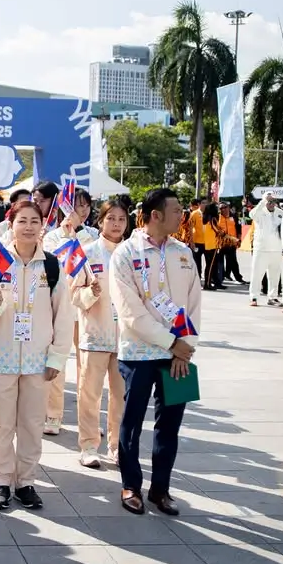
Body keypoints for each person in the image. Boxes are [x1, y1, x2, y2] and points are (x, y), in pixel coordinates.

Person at [0, 200, 70, 510]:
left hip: (38, 361)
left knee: (30, 424)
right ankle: (0, 481)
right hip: (0, 356)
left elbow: (64, 317)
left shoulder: (52, 266)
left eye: (34, 221)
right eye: (22, 221)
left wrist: (56, 358)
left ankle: (26, 481)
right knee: (0, 425)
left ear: (43, 226)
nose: (28, 227)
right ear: (10, 225)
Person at [108, 188, 200, 517]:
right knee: (131, 421)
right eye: (176, 211)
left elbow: (194, 303)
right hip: (137, 353)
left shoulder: (183, 253)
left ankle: (161, 489)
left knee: (171, 423)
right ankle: (131, 484)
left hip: (179, 354)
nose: (182, 216)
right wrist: (170, 342)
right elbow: (130, 313)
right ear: (156, 215)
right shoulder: (125, 253)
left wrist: (184, 348)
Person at [72, 200, 128, 469]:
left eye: (121, 219)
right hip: (95, 334)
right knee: (89, 394)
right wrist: (89, 293)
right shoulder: (87, 252)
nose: (116, 224)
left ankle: (117, 445)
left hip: (126, 338)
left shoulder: (132, 253)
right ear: (101, 221)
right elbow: (74, 294)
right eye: (111, 218)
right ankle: (89, 445)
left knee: (120, 395)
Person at [40, 190, 99, 436]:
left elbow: (91, 258)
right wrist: (67, 234)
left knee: (88, 369)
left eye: (86, 207)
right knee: (58, 363)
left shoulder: (94, 234)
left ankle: (90, 421)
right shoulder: (52, 237)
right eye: (77, 206)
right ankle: (53, 415)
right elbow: (60, 264)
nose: (82, 211)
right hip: (62, 306)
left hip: (89, 307)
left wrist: (79, 232)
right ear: (66, 207)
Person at [248, 191, 283, 307]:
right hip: (261, 249)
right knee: (257, 274)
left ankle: (273, 297)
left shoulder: (281, 213)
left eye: (273, 201)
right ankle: (253, 296)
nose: (271, 203)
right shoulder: (259, 212)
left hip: (276, 249)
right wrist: (263, 201)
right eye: (269, 201)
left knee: (275, 275)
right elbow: (252, 215)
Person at [200, 203, 223, 289]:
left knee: (209, 265)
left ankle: (208, 283)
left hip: (207, 244)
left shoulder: (205, 219)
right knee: (210, 266)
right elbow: (218, 231)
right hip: (212, 245)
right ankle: (207, 284)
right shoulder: (212, 220)